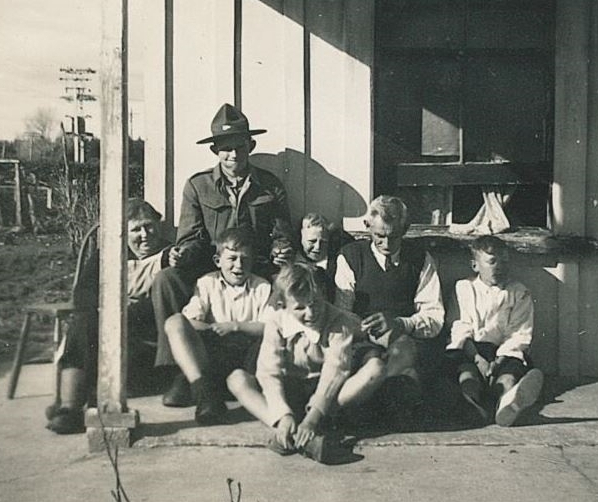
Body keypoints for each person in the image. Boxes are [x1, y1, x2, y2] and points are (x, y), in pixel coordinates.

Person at [152, 103, 294, 408]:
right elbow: (190, 238)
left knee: (289, 283)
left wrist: (282, 252)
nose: (233, 156)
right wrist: (182, 255)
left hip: (258, 264)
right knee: (166, 279)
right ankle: (179, 372)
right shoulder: (197, 186)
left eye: (239, 148)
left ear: (250, 146)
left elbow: (282, 234)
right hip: (210, 262)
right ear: (215, 150)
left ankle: (269, 369)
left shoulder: (270, 185)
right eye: (225, 149)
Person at [46, 199, 171, 434]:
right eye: (136, 229)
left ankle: (86, 398)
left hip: (146, 332)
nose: (145, 234)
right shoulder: (109, 254)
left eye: (149, 226)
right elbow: (83, 294)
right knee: (83, 324)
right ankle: (69, 408)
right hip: (108, 324)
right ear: (123, 233)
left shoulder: (169, 255)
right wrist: (109, 312)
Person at [226, 262, 368, 464]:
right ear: (283, 305)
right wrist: (283, 414)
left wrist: (313, 417)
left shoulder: (339, 321)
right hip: (290, 388)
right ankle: (288, 431)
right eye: (300, 307)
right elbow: (269, 372)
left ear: (324, 297)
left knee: (373, 370)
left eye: (316, 304)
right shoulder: (276, 321)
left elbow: (335, 371)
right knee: (237, 380)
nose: (310, 314)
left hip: (325, 393)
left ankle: (309, 429)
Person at [334, 195, 445, 427]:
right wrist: (363, 328)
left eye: (393, 237)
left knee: (406, 355)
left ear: (404, 230)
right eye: (379, 236)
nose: (386, 244)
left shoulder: (419, 259)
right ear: (367, 227)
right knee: (377, 366)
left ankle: (380, 402)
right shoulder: (351, 256)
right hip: (363, 340)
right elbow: (341, 313)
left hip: (406, 343)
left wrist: (400, 323)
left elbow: (434, 317)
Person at [162, 228, 274, 425]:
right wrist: (214, 327)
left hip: (246, 354)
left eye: (245, 259)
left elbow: (269, 326)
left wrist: (235, 326)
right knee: (174, 322)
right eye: (232, 258)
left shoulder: (262, 287)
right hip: (213, 349)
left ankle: (196, 386)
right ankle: (204, 392)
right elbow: (190, 320)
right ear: (217, 261)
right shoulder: (207, 283)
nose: (238, 265)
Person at [445, 235, 544, 426]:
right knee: (468, 377)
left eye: (504, 261)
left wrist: (497, 362)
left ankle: (506, 403)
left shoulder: (518, 292)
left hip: (504, 353)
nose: (499, 267)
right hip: (472, 351)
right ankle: (473, 405)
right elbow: (460, 327)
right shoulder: (464, 288)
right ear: (475, 265)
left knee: (507, 379)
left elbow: (519, 333)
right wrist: (478, 360)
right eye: (492, 262)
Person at [277, 212, 353, 282]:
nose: (317, 247)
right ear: (300, 238)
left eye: (323, 242)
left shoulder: (337, 263)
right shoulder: (288, 259)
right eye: (312, 241)